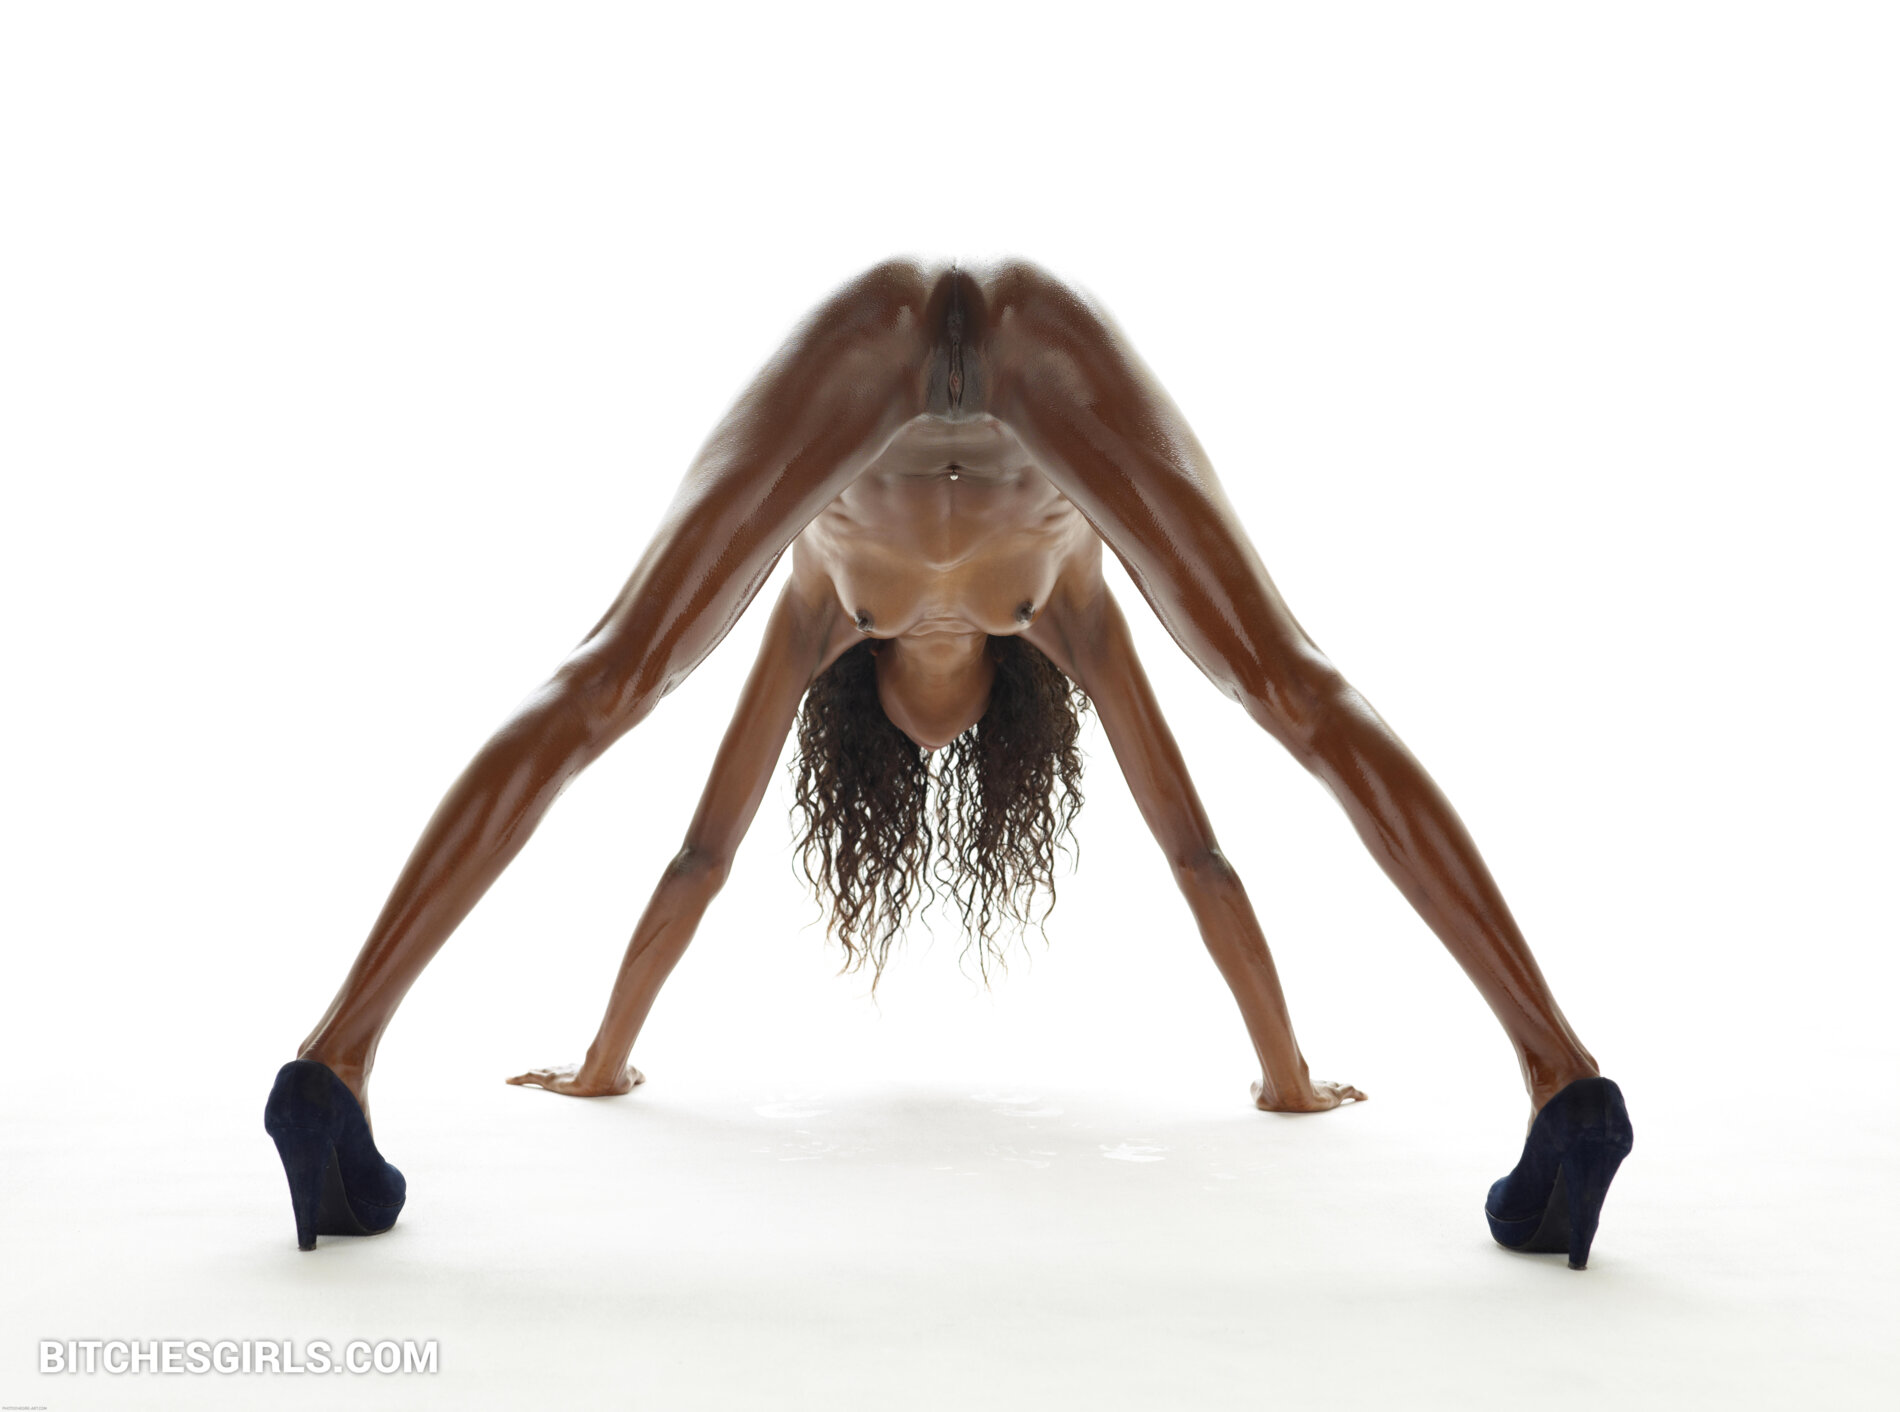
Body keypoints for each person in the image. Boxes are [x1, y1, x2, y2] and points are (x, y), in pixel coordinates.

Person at [262, 258, 1632, 1266]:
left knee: (1295, 685)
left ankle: (1560, 1077)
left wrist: (1288, 1072)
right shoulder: (1006, 608)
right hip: (981, 341)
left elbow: (1197, 854)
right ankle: (334, 1065)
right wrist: (601, 1060)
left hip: (942, 342)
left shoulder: (898, 608)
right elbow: (702, 856)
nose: (936, 722)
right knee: (609, 678)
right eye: (950, 729)